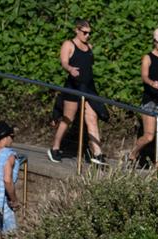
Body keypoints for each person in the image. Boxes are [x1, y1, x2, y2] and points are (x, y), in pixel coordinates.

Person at [48, 19, 108, 166]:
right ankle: (55, 147)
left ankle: (97, 153)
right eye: (85, 32)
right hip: (73, 86)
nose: (87, 36)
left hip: (87, 88)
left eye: (89, 33)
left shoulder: (90, 47)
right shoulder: (69, 44)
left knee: (92, 118)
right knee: (68, 118)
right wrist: (70, 69)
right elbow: (64, 62)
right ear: (77, 30)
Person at [128, 28, 158, 166]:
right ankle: (134, 152)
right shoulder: (147, 58)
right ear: (154, 41)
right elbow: (144, 76)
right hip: (150, 99)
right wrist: (151, 83)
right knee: (149, 136)